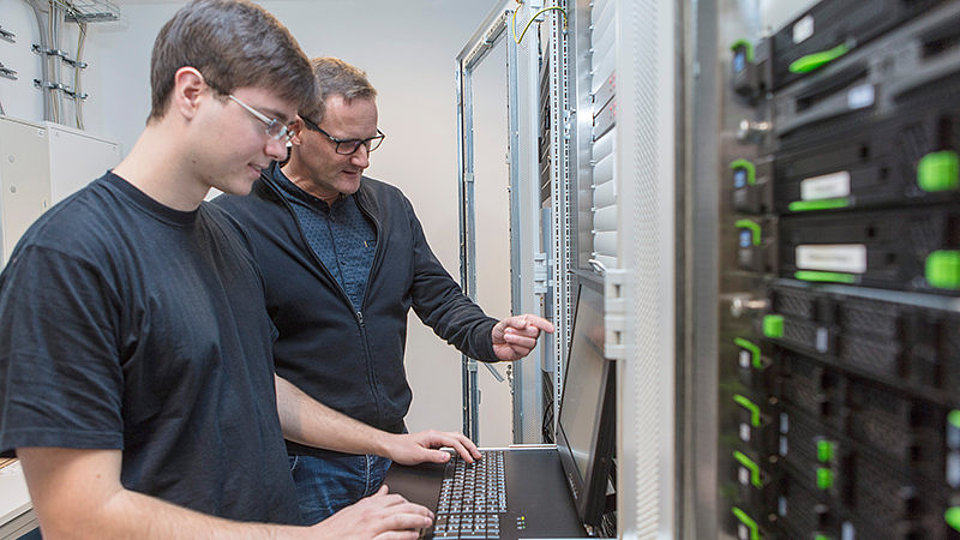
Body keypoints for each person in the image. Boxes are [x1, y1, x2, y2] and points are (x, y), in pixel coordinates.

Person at [0, 2, 472, 538]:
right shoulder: (69, 258)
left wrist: (383, 442)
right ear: (192, 93)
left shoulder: (221, 236)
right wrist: (313, 538)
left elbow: (257, 384)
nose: (278, 148)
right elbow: (78, 517)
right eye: (269, 123)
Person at [213, 57, 556, 524]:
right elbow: (248, 372)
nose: (363, 159)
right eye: (345, 144)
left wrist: (487, 334)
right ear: (295, 130)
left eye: (370, 141)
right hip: (302, 463)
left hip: (394, 446)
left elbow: (436, 293)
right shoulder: (235, 221)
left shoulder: (389, 204)